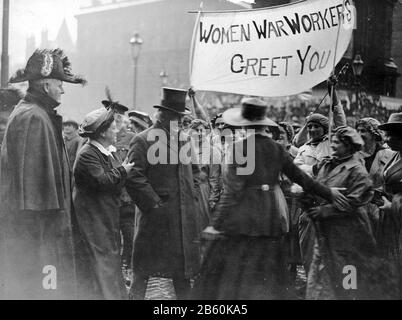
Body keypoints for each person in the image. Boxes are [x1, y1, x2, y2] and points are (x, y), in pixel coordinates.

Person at [192, 98, 348, 300]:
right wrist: (329, 192)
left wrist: (216, 223)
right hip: (269, 217)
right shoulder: (276, 148)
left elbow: (233, 191)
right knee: (268, 277)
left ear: (244, 122)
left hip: (242, 220)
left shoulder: (240, 148)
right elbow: (302, 178)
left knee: (235, 278)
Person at [0, 48, 86, 299]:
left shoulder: (36, 114)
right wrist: (49, 246)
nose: (62, 89)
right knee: (46, 291)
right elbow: (36, 199)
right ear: (46, 84)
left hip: (42, 236)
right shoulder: (34, 118)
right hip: (42, 239)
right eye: (60, 83)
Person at [126, 88, 201, 300]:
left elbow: (196, 172)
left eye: (181, 118)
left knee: (182, 273)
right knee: (143, 271)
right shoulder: (143, 139)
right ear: (164, 115)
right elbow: (134, 176)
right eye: (177, 117)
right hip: (155, 219)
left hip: (181, 220)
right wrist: (154, 204)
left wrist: (191, 194)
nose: (181, 122)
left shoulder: (184, 140)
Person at [305, 126, 377, 300]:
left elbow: (353, 201)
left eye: (337, 142)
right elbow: (317, 186)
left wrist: (324, 210)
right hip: (326, 232)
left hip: (349, 233)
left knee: (347, 273)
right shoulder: (327, 164)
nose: (333, 145)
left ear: (348, 145)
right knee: (321, 273)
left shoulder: (358, 171)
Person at [73, 106, 134, 300]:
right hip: (93, 220)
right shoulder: (88, 154)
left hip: (104, 217)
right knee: (102, 263)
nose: (117, 130)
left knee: (108, 261)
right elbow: (102, 181)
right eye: (114, 127)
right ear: (103, 132)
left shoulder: (105, 152)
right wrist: (124, 171)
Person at [293, 78, 347, 276]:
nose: (313, 129)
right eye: (310, 127)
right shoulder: (304, 148)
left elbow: (340, 121)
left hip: (329, 204)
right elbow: (296, 172)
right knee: (307, 251)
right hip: (309, 206)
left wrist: (333, 91)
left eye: (317, 126)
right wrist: (314, 169)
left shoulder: (333, 143)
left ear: (325, 128)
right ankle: (311, 288)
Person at [378, 113, 402, 298]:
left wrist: (392, 206)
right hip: (390, 222)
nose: (387, 138)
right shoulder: (396, 156)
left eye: (391, 133)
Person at [190, 119, 223, 236]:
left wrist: (213, 199)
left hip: (203, 191)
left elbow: (214, 178)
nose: (199, 133)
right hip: (188, 191)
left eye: (201, 130)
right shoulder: (186, 150)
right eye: (196, 130)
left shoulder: (212, 151)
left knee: (202, 224)